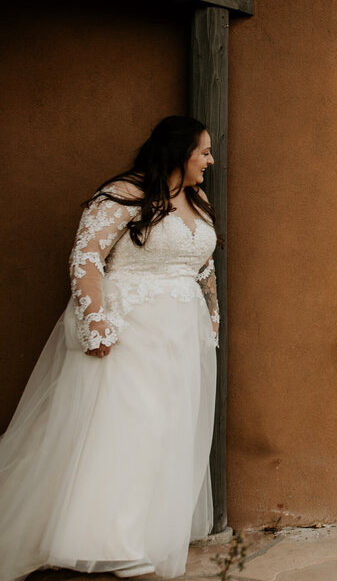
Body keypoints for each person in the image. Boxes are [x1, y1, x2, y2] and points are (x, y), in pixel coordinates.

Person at [0, 116, 220, 581]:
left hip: (180, 335)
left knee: (164, 431)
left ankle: (143, 533)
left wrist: (213, 314)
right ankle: (111, 542)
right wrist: (96, 323)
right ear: (180, 151)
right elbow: (86, 256)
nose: (210, 160)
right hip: (129, 328)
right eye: (203, 151)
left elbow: (202, 265)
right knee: (126, 426)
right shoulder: (126, 193)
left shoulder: (196, 200)